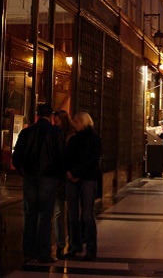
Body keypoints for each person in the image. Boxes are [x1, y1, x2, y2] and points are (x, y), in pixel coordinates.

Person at [12, 104, 66, 264]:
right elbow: (61, 156)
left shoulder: (26, 132)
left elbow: (16, 158)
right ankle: (43, 253)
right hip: (48, 178)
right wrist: (59, 177)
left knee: (30, 215)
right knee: (45, 216)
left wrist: (24, 171)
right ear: (50, 115)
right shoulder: (55, 132)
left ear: (37, 115)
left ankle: (28, 251)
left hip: (30, 177)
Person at [64, 112, 101, 261]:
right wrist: (69, 172)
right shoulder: (73, 139)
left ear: (85, 122)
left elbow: (91, 159)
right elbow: (67, 157)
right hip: (73, 178)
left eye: (77, 122)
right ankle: (74, 245)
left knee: (87, 215)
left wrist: (76, 173)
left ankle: (91, 249)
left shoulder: (93, 139)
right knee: (72, 214)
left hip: (87, 178)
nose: (75, 125)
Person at [52, 110, 75, 259]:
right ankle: (61, 243)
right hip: (60, 178)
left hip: (67, 177)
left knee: (66, 212)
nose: (55, 124)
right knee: (60, 212)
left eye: (57, 121)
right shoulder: (56, 135)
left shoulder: (69, 137)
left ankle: (70, 242)